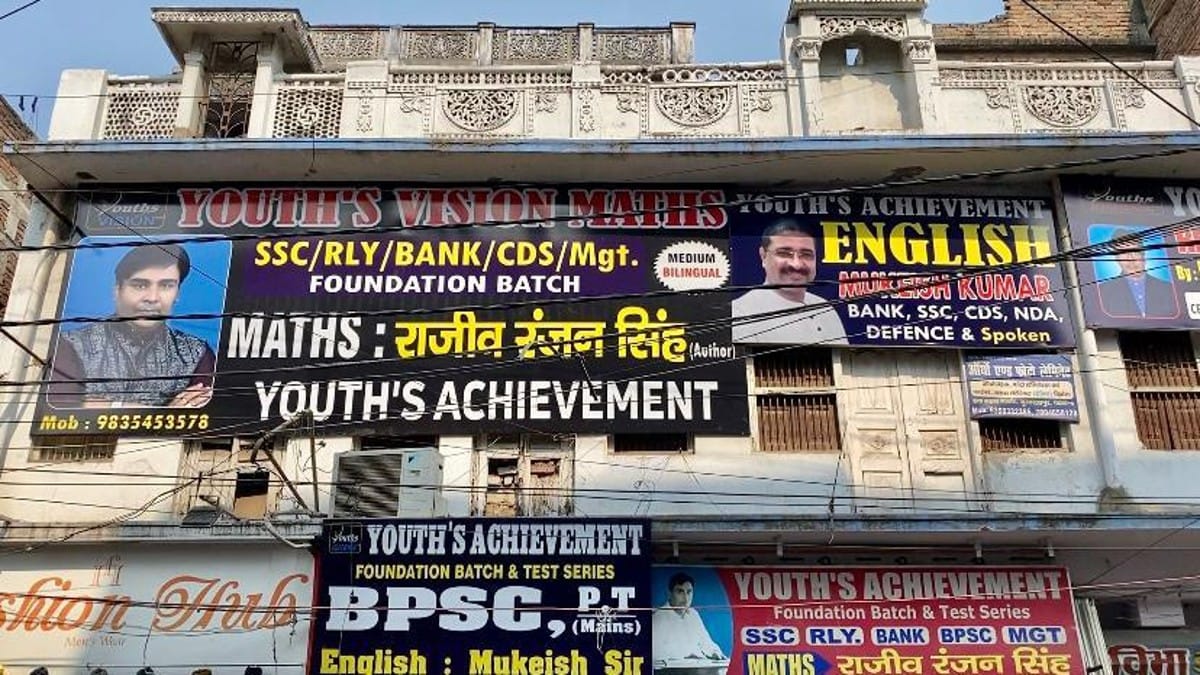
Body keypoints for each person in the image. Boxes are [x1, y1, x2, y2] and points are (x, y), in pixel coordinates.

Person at [47, 244, 215, 408]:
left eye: (166, 286)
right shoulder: (72, 345)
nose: (152, 297)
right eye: (140, 285)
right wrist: (163, 415)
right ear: (117, 290)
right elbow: (61, 405)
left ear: (177, 293)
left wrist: (96, 404)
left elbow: (202, 413)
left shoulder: (196, 354)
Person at [731, 220, 848, 344]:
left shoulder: (825, 308)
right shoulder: (741, 312)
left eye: (806, 255)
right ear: (763, 256)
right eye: (784, 253)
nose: (796, 264)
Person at [1096, 228, 1178, 319]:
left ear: (1143, 255)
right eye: (1123, 252)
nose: (1130, 258)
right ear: (1116, 258)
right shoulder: (1103, 292)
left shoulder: (1169, 289)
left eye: (1134, 251)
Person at [652, 572, 725, 663]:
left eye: (689, 592)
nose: (685, 598)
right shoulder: (659, 617)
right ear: (669, 594)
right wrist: (687, 654)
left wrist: (714, 652)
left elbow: (706, 642)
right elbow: (654, 652)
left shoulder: (693, 615)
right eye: (680, 592)